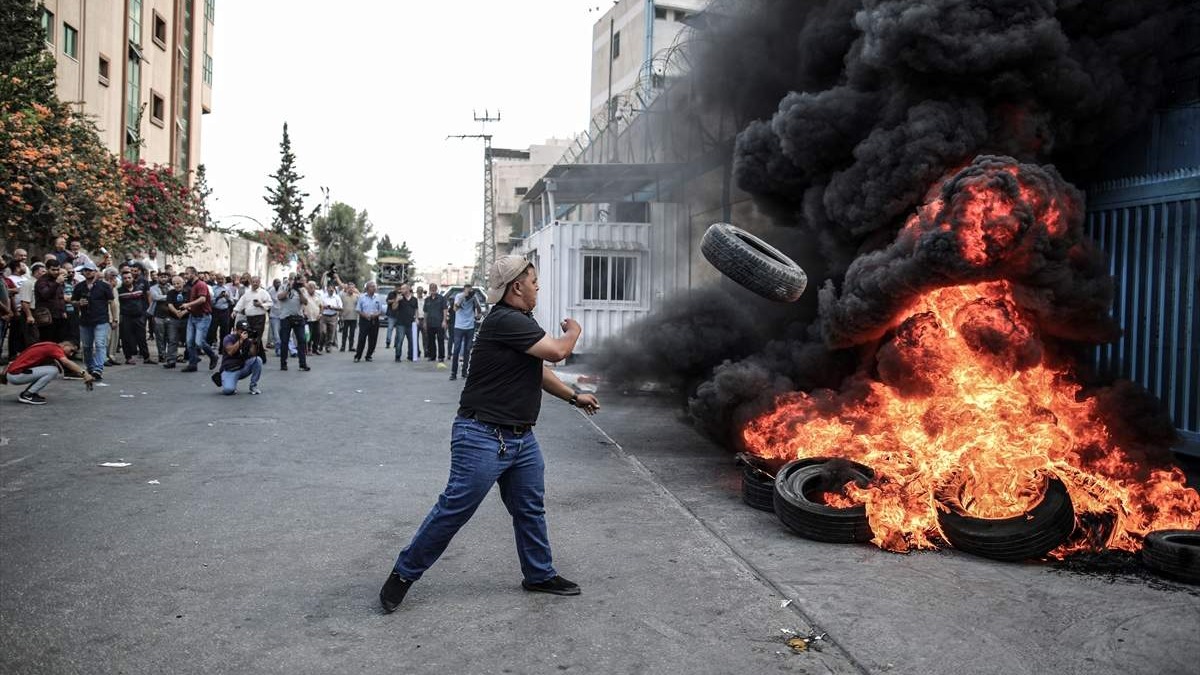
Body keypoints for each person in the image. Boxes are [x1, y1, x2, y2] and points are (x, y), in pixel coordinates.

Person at [379, 255, 601, 612]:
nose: (538, 288)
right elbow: (559, 352)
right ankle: (403, 574)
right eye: (534, 282)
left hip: (520, 438)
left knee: (530, 508)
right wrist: (574, 330)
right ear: (517, 286)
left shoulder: (519, 322)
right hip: (483, 436)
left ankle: (539, 574)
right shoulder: (506, 320)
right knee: (454, 510)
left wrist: (574, 397)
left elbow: (539, 371)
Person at [1, 339, 93, 404]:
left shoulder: (49, 345)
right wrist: (84, 373)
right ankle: (27, 395)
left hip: (14, 373)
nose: (71, 354)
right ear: (65, 345)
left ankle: (31, 393)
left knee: (52, 368)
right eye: (71, 350)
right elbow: (66, 363)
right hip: (16, 375)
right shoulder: (54, 348)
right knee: (53, 370)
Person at [71, 262, 114, 379]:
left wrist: (114, 318)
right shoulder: (79, 286)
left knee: (100, 344)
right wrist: (78, 303)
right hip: (85, 321)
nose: (88, 272)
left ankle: (98, 369)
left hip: (101, 319)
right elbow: (73, 301)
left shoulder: (104, 286)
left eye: (90, 270)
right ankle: (90, 367)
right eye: (85, 270)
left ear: (95, 272)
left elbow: (111, 302)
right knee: (87, 346)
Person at [179, 266, 218, 373]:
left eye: (187, 274)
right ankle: (193, 364)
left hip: (203, 317)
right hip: (193, 316)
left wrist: (187, 304)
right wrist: (186, 309)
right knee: (189, 342)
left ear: (193, 274)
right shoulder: (191, 286)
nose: (185, 276)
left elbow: (202, 299)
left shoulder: (201, 284)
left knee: (199, 342)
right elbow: (195, 303)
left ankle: (213, 356)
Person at [214, 319, 262, 395]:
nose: (244, 332)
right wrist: (241, 340)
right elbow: (230, 352)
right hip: (230, 369)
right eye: (242, 330)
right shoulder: (228, 338)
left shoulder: (248, 340)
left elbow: (253, 353)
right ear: (236, 330)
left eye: (246, 330)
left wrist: (254, 341)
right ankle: (228, 380)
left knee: (258, 360)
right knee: (228, 390)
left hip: (242, 367)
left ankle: (253, 386)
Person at [275, 275, 310, 372]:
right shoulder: (283, 287)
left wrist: (298, 291)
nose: (294, 281)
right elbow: (280, 297)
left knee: (302, 341)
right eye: (292, 279)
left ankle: (302, 364)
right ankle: (283, 364)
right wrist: (289, 289)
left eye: (295, 280)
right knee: (284, 341)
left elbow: (305, 302)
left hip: (298, 317)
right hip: (285, 317)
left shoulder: (302, 289)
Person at [117, 268, 152, 364]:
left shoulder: (139, 289)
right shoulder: (119, 291)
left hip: (139, 316)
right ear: (122, 279)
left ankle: (146, 357)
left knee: (142, 337)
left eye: (129, 278)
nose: (127, 280)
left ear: (132, 279)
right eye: (125, 278)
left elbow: (145, 300)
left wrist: (146, 312)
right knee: (126, 338)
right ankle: (128, 358)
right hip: (126, 317)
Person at [449, 282, 482, 381]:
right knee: (456, 349)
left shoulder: (474, 297)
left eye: (470, 290)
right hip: (459, 326)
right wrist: (464, 297)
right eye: (468, 290)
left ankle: (464, 372)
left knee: (467, 350)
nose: (469, 292)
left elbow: (479, 309)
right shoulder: (459, 296)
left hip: (470, 326)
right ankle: (453, 373)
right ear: (464, 289)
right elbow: (455, 308)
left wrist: (478, 312)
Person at [232, 276, 272, 354]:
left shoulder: (264, 292)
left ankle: (254, 355)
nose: (255, 284)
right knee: (249, 336)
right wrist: (235, 311)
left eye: (256, 282)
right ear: (251, 282)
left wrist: (261, 305)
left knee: (256, 337)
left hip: (259, 318)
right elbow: (241, 302)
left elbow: (270, 303)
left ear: (259, 282)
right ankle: (259, 355)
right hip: (249, 318)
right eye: (253, 282)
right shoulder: (247, 293)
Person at [160, 275, 189, 368]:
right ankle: (171, 360)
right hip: (174, 319)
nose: (176, 285)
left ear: (183, 282)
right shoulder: (171, 293)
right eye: (174, 284)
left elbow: (192, 304)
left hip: (187, 318)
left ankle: (190, 358)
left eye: (178, 283)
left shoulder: (189, 291)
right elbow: (169, 304)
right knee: (172, 339)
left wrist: (184, 312)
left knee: (188, 340)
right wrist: (176, 312)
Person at [354, 281, 385, 362]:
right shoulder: (362, 297)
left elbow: (381, 310)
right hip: (364, 320)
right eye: (372, 286)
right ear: (367, 288)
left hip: (374, 320)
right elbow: (358, 309)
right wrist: (365, 315)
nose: (374, 288)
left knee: (373, 339)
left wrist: (376, 314)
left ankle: (369, 355)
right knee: (362, 339)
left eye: (375, 287)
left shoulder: (378, 297)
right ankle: (358, 356)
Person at [390, 283, 419, 362]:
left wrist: (416, 318)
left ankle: (410, 356)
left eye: (403, 289)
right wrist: (397, 300)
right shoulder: (400, 298)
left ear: (408, 289)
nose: (401, 290)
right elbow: (393, 308)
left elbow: (416, 310)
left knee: (411, 340)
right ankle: (398, 356)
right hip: (401, 323)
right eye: (401, 289)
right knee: (400, 340)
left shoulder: (414, 299)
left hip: (411, 323)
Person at [423, 282, 448, 363]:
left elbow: (445, 309)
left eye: (434, 288)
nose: (432, 290)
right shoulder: (427, 300)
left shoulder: (441, 298)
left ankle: (441, 357)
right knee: (431, 340)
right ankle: (432, 356)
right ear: (429, 290)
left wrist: (444, 321)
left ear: (436, 289)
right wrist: (425, 322)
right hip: (430, 323)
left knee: (440, 340)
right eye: (431, 289)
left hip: (439, 322)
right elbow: (425, 312)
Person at [318, 280, 342, 353]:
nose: (331, 290)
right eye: (330, 288)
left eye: (332, 289)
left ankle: (328, 346)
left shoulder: (337, 297)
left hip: (333, 316)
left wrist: (333, 307)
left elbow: (340, 308)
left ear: (334, 289)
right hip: (324, 316)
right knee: (323, 332)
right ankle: (321, 344)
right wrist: (324, 307)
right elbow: (319, 305)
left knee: (331, 333)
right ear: (327, 289)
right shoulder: (323, 296)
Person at [338, 282, 360, 352]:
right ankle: (343, 346)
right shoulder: (342, 296)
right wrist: (340, 315)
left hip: (354, 317)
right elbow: (339, 306)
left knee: (352, 333)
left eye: (353, 288)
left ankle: (351, 346)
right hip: (345, 317)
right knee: (344, 333)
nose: (351, 289)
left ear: (354, 289)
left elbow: (359, 306)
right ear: (347, 289)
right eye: (350, 288)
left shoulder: (357, 296)